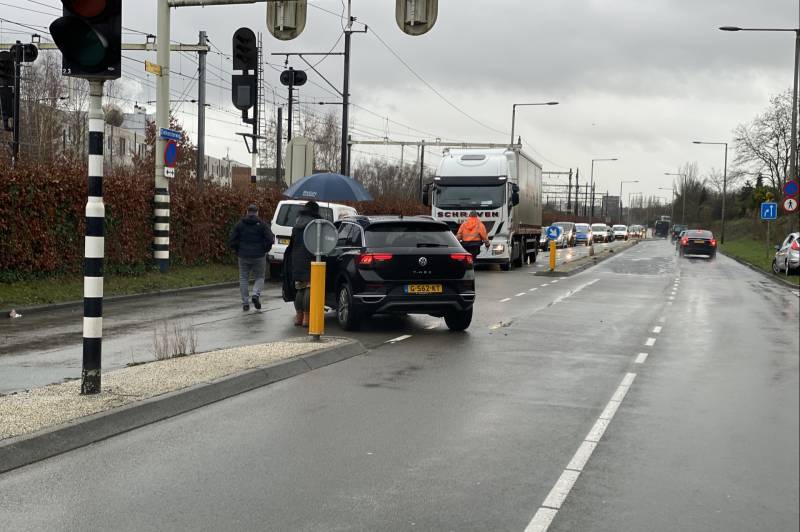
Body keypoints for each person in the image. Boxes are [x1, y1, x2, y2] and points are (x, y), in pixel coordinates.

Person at [283, 201, 322, 327]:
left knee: (299, 288)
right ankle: (307, 317)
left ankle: (298, 317)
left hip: (296, 259)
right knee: (309, 288)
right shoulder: (315, 224)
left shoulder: (297, 223)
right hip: (310, 258)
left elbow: (292, 243)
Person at [229, 204, 274, 311]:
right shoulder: (262, 224)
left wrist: (238, 250)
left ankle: (245, 303)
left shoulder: (240, 224)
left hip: (243, 255)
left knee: (243, 278)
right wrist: (265, 249)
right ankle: (255, 294)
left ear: (247, 212)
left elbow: (232, 240)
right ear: (257, 212)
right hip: (259, 255)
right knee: (260, 277)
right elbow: (270, 239)